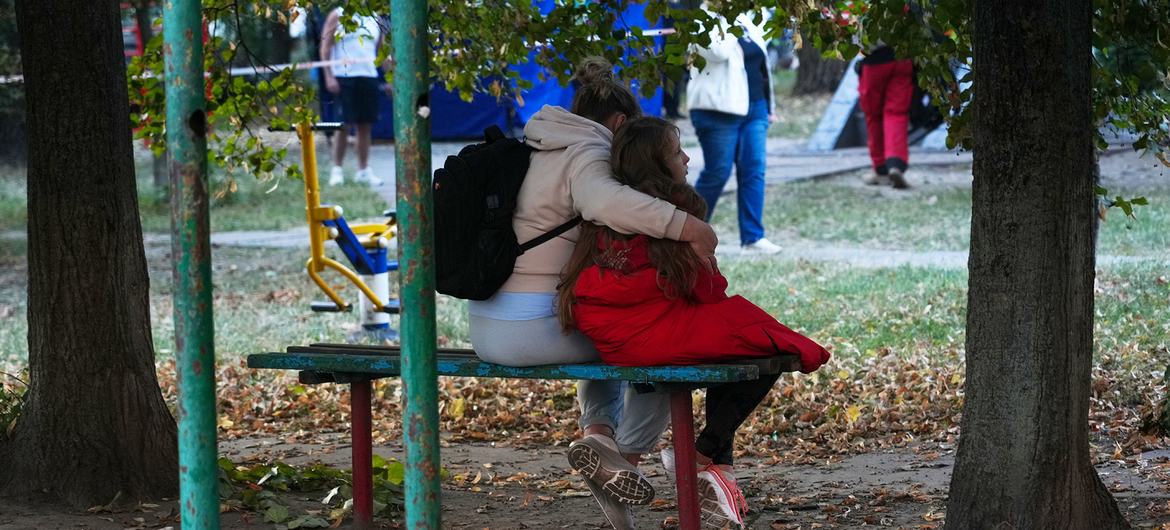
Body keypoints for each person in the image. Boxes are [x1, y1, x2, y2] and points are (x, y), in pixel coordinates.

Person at [466, 58, 720, 530]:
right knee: (658, 346)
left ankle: (600, 437)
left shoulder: (538, 145)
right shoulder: (588, 152)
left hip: (488, 325)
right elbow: (606, 201)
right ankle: (624, 459)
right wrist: (688, 226)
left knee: (604, 327)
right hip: (532, 329)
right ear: (620, 123)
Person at [556, 116, 831, 528]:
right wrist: (711, 270)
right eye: (676, 152)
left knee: (740, 336)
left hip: (612, 335)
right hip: (651, 333)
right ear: (656, 164)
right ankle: (702, 456)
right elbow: (704, 289)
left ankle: (701, 464)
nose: (686, 159)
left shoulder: (605, 210)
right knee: (770, 342)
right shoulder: (672, 211)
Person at [687, 12, 781, 255]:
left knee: (754, 170)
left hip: (755, 107)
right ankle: (687, 234)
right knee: (718, 172)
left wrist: (769, 106)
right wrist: (726, 18)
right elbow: (717, 52)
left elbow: (761, 64)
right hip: (717, 109)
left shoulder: (745, 18)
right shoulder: (702, 20)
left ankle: (753, 237)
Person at [319, 8, 391, 187]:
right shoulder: (338, 15)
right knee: (343, 125)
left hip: (368, 77)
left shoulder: (375, 18)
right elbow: (325, 48)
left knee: (365, 126)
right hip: (344, 77)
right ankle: (337, 171)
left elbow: (382, 52)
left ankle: (363, 170)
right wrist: (329, 76)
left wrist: (390, 78)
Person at [857, 43, 914, 189]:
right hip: (902, 59)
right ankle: (895, 164)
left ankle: (881, 169)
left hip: (874, 61)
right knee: (896, 113)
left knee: (873, 115)